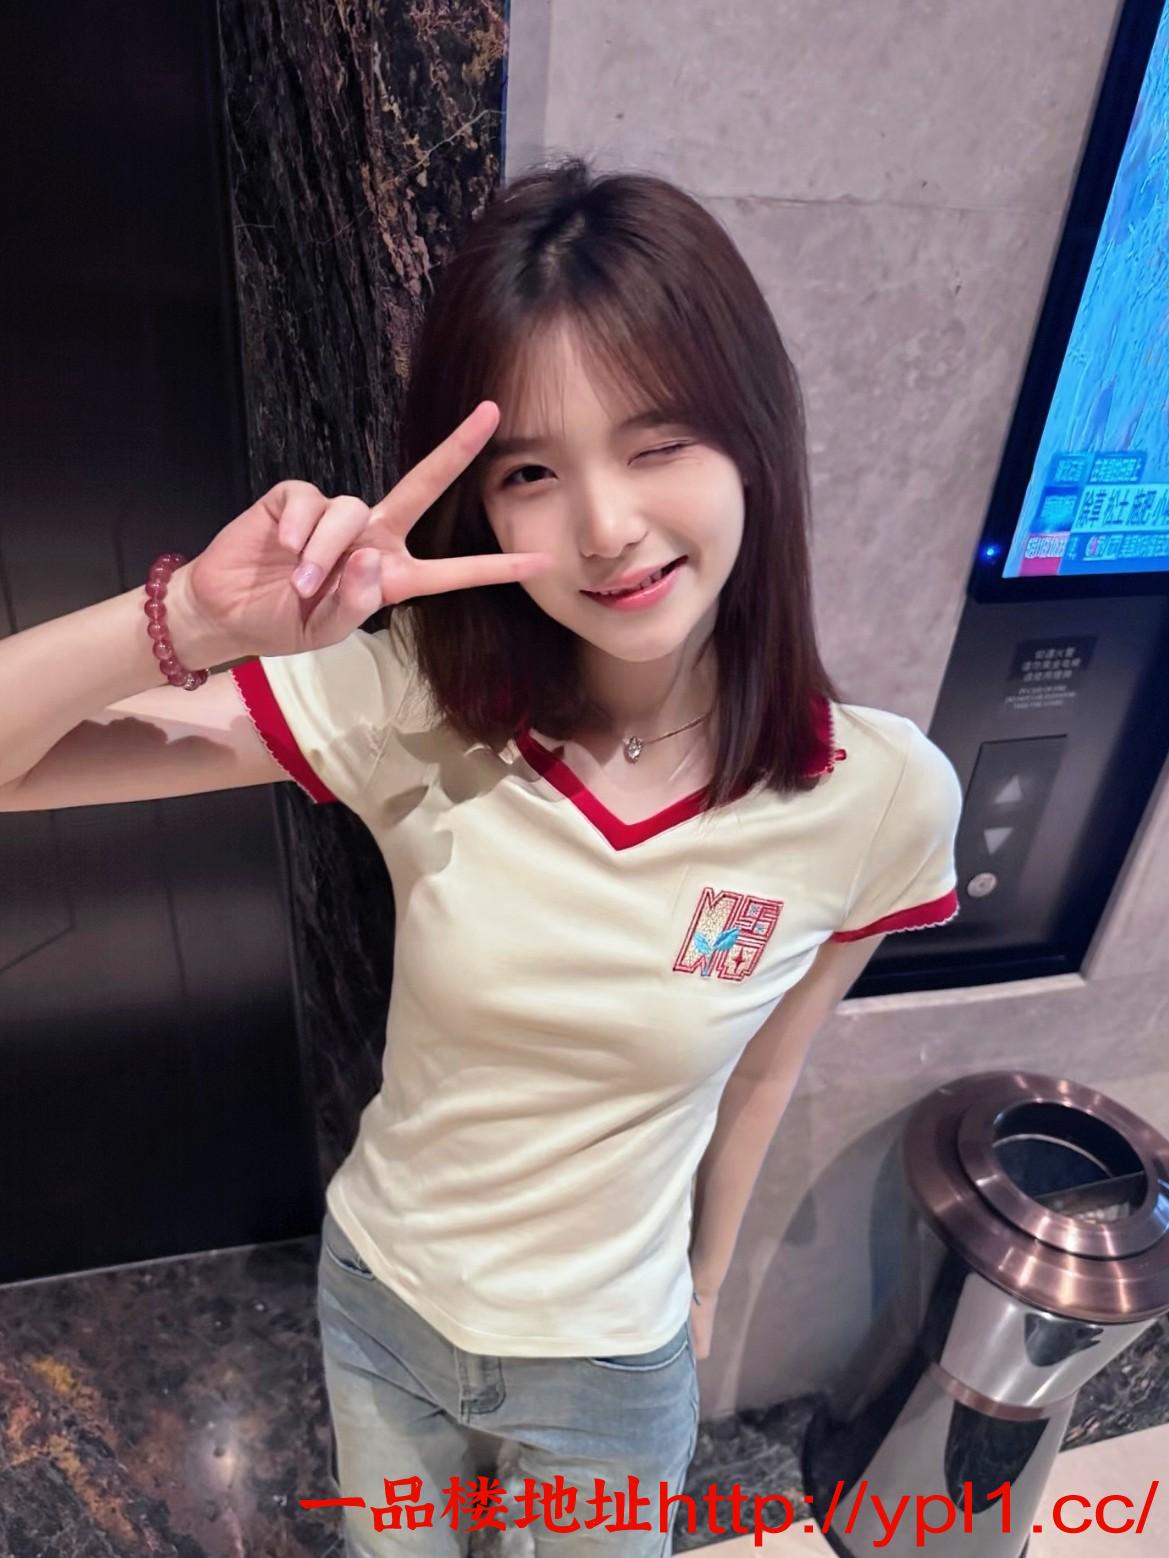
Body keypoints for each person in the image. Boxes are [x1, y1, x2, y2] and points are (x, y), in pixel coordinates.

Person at [0, 157, 963, 1556]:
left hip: (611, 1370)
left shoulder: (874, 796)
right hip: (384, 1316)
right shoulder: (415, 700)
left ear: (753, 438)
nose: (606, 527)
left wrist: (702, 1291)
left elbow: (766, 1066)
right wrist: (191, 622)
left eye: (657, 443)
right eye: (533, 473)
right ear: (486, 510)